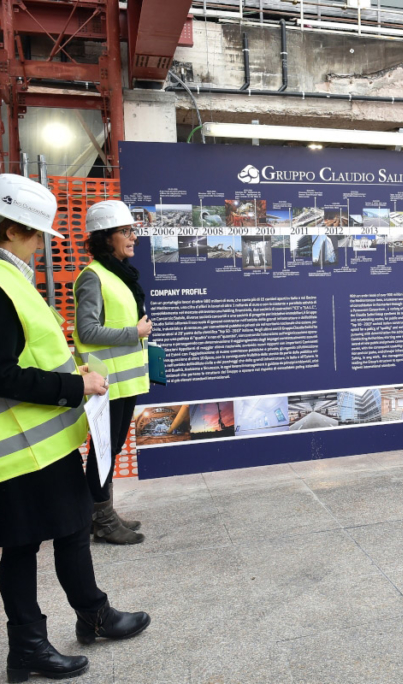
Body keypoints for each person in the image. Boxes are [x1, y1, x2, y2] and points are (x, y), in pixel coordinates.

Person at [0, 174, 150, 682]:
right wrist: (73, 387)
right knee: (29, 543)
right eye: (37, 234)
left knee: (62, 531)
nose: (42, 246)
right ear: (14, 229)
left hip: (42, 440)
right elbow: (2, 373)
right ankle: (35, 641)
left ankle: (85, 618)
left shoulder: (12, 276)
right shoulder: (3, 283)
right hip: (21, 447)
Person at [73, 201, 150, 545]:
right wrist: (134, 333)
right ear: (107, 238)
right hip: (106, 383)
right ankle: (101, 519)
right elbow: (87, 331)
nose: (133, 237)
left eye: (133, 230)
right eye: (126, 231)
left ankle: (102, 511)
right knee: (103, 450)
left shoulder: (119, 272)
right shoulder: (93, 276)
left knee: (113, 448)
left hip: (123, 380)